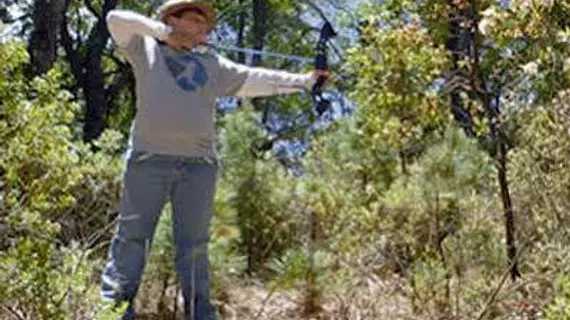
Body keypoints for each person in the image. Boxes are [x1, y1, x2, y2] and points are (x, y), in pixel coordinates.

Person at [101, 0, 330, 319]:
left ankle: (200, 313)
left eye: (204, 24)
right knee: (131, 238)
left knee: (193, 247)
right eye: (194, 21)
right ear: (173, 20)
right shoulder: (144, 49)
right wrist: (161, 33)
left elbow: (254, 78)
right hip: (148, 159)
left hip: (198, 166)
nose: (202, 29)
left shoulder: (211, 64)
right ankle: (113, 311)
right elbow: (115, 19)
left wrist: (305, 82)